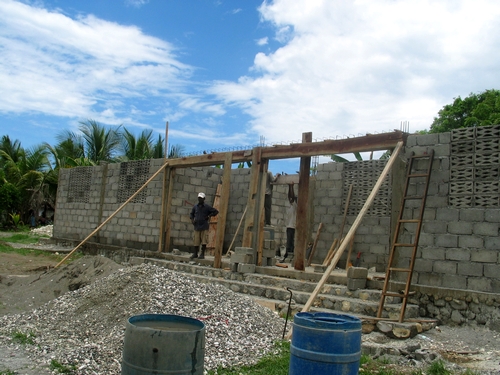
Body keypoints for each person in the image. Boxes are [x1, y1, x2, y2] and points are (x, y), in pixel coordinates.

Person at [189, 192, 219, 259]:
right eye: (199, 198)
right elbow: (191, 214)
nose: (200, 200)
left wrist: (209, 216)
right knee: (196, 241)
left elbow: (215, 211)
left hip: (204, 226)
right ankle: (195, 253)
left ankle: (202, 254)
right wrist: (192, 220)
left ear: (204, 199)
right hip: (197, 226)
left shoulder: (207, 207)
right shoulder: (195, 207)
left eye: (201, 198)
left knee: (204, 241)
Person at [281, 182, 297, 263]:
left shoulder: (295, 206)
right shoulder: (290, 206)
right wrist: (289, 186)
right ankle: (288, 256)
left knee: (290, 242)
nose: (290, 200)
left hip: (292, 227)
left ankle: (288, 256)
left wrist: (292, 187)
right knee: (289, 241)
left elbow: (292, 197)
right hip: (289, 226)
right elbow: (289, 197)